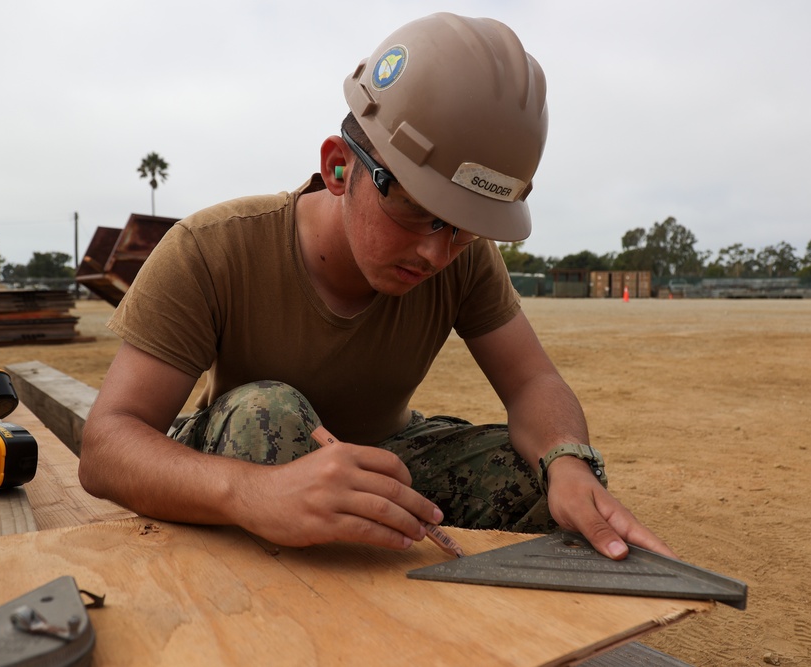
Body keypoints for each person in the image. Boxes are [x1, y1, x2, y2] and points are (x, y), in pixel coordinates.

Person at [78, 12, 675, 561]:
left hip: (388, 455)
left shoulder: (464, 256)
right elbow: (107, 446)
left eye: (465, 229)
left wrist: (567, 460)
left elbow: (532, 381)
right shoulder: (214, 248)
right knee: (270, 414)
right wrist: (251, 493)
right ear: (341, 167)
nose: (436, 253)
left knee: (538, 474)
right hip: (249, 461)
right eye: (419, 212)